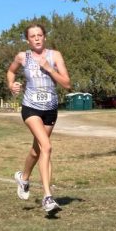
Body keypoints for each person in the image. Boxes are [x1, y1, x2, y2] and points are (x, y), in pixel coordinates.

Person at [7, 23, 71, 213]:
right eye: (32, 36)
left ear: (44, 37)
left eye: (40, 35)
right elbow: (11, 71)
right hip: (30, 108)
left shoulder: (55, 56)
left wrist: (49, 69)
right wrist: (12, 86)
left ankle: (23, 178)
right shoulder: (22, 57)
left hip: (50, 109)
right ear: (28, 40)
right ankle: (47, 197)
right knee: (47, 147)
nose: (36, 38)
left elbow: (67, 84)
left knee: (37, 151)